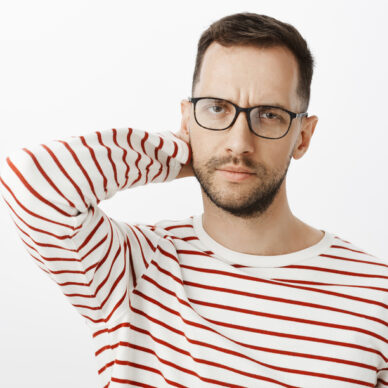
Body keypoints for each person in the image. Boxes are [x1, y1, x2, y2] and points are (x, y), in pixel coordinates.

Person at [1, 11, 387, 387]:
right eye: (217, 109)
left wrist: (210, 148)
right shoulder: (130, 269)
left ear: (302, 136)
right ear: (186, 121)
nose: (239, 143)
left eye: (268, 114)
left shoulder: (376, 295)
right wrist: (190, 154)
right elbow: (28, 178)